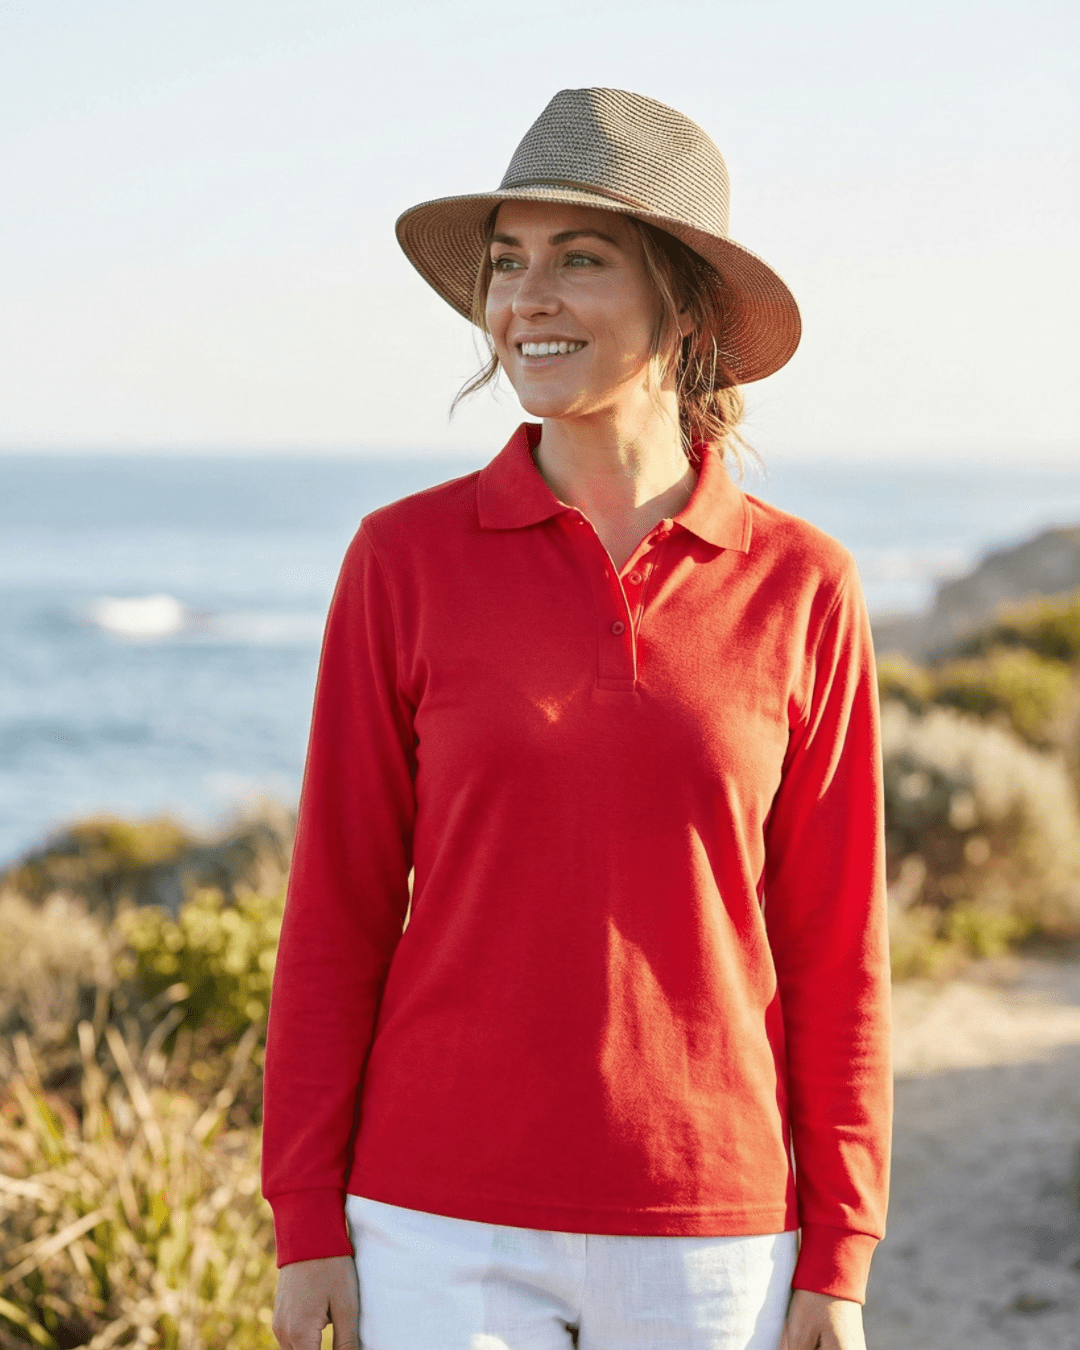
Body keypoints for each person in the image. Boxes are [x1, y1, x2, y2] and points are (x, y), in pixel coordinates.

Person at [263, 88, 891, 1350]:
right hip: (435, 1224)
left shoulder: (804, 584)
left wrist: (843, 1251)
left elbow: (835, 946)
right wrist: (307, 1221)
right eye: (508, 264)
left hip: (712, 1223)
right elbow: (334, 907)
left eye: (580, 259)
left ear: (685, 303)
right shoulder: (403, 560)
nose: (525, 300)